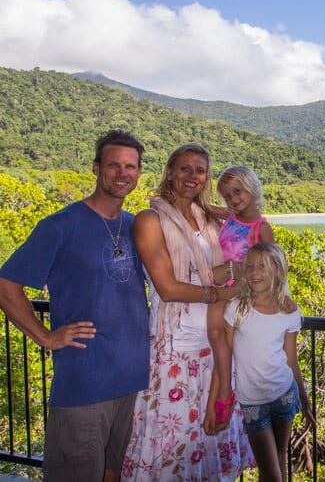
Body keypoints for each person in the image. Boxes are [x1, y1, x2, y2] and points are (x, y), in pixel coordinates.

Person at [0, 130, 149, 482]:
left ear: (139, 173)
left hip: (133, 378)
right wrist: (46, 337)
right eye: (113, 164)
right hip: (84, 381)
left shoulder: (136, 227)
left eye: (130, 166)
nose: (122, 173)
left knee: (114, 472)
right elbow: (7, 286)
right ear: (97, 168)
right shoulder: (60, 226)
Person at [121, 143, 254, 481]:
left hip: (215, 341)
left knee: (211, 433)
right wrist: (220, 291)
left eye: (199, 170)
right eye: (185, 168)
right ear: (170, 172)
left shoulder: (206, 218)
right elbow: (168, 288)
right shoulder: (150, 220)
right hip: (175, 347)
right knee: (172, 439)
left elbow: (247, 220)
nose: (192, 175)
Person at [224, 243, 314, 482]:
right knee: (271, 472)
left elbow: (291, 361)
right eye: (250, 266)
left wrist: (304, 402)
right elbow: (229, 349)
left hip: (284, 394)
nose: (254, 272)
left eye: (262, 267)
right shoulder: (236, 309)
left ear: (277, 270)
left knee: (280, 459)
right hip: (252, 402)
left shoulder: (289, 312)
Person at [208, 165, 280, 431]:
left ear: (251, 187)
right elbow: (201, 208)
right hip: (224, 286)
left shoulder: (262, 229)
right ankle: (224, 395)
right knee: (218, 338)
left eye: (237, 192)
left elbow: (273, 268)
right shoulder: (230, 217)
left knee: (221, 337)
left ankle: (226, 393)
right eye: (227, 195)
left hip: (240, 290)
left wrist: (281, 300)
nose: (234, 199)